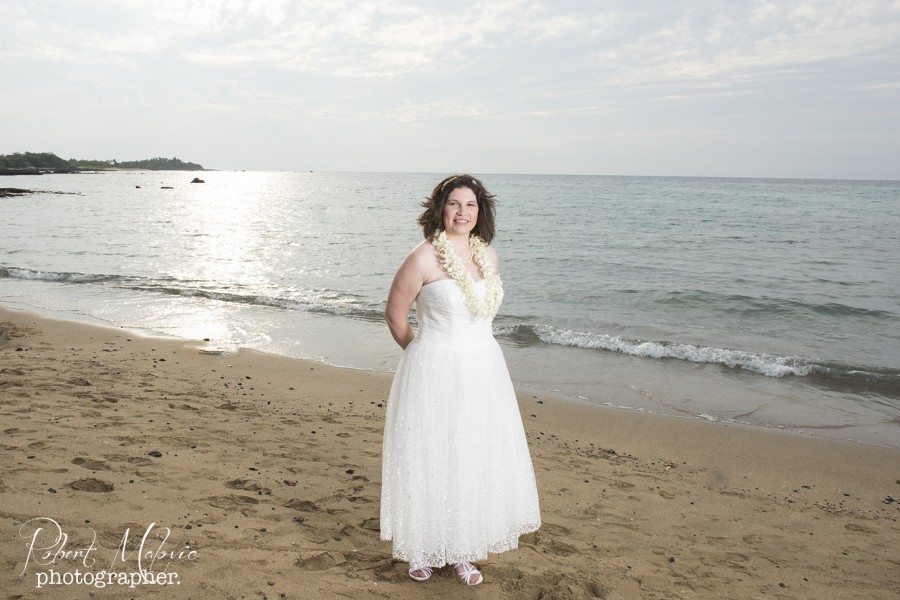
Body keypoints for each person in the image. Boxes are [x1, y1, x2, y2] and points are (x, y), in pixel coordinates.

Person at [380, 174, 541, 585]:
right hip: (434, 366)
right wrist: (424, 358)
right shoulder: (422, 257)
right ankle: (421, 547)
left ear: (480, 212)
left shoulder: (490, 257)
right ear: (440, 209)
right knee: (431, 453)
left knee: (473, 453)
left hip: (483, 368)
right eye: (454, 204)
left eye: (470, 205)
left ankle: (464, 550)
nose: (462, 212)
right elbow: (396, 317)